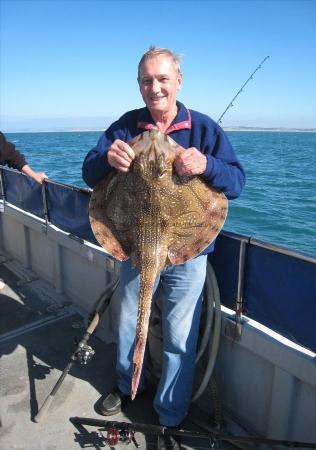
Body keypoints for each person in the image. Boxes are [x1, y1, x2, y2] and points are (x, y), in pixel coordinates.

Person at [82, 47, 245, 450]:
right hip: (137, 245)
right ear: (139, 85)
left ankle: (170, 412)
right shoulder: (124, 126)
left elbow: (237, 182)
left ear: (178, 81)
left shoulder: (204, 128)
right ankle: (125, 386)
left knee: (179, 335)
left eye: (162, 79)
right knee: (128, 323)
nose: (154, 88)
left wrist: (206, 165)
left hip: (185, 250)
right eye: (145, 81)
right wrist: (108, 158)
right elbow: (90, 173)